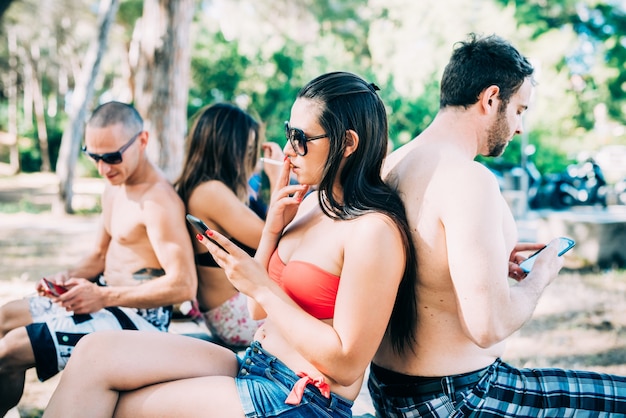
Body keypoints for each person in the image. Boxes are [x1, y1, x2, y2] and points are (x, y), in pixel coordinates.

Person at [43, 71, 418, 418]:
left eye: (301, 140)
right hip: (257, 362)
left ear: (348, 143)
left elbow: (347, 363)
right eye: (290, 133)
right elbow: (256, 310)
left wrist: (260, 285)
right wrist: (272, 229)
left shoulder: (374, 231)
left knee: (120, 407)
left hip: (300, 398)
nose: (288, 151)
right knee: (95, 353)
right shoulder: (308, 205)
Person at [369, 32, 626, 416]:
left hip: (392, 390)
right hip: (457, 398)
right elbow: (487, 327)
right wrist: (542, 272)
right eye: (520, 109)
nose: (520, 126)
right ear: (491, 99)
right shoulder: (467, 178)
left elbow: (423, 269)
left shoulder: (392, 165)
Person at [0, 101, 197, 416]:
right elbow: (99, 255)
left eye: (112, 157)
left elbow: (184, 285)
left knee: (11, 349)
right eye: (94, 157)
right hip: (104, 298)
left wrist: (103, 296)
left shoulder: (158, 200)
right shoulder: (115, 186)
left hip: (139, 320)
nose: (104, 168)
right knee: (5, 317)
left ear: (142, 141)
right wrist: (64, 278)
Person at [174, 102, 283, 347]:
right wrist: (277, 178)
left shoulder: (200, 187)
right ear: (230, 150)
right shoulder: (211, 191)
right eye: (249, 151)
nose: (253, 161)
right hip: (237, 316)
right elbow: (276, 239)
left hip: (228, 314)